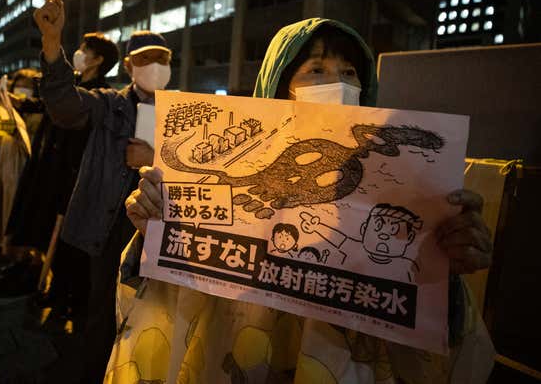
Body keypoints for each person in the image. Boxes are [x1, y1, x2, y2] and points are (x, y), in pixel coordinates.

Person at [110, 19, 495, 383]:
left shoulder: (403, 190)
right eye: (316, 71)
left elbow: (438, 340)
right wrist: (154, 231)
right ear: (279, 86)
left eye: (349, 73)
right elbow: (166, 301)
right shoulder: (225, 179)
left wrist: (446, 274)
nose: (338, 84)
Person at [33, 0, 172, 383]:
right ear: (128, 66)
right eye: (145, 59)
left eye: (163, 59)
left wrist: (155, 155)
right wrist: (51, 41)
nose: (155, 67)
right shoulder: (110, 105)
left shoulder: (182, 112)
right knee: (102, 311)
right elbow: (63, 105)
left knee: (155, 314)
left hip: (159, 229)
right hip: (111, 229)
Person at [0, 32, 119, 298]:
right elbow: (47, 103)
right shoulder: (71, 84)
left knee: (59, 233)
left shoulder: (101, 96)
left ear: (98, 60)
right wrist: (22, 102)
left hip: (68, 173)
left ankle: (57, 289)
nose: (79, 52)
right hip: (47, 165)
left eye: (85, 49)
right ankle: (33, 268)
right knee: (38, 220)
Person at [0, 68, 39, 256]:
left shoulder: (37, 112)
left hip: (22, 162)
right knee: (1, 201)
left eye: (27, 87)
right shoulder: (9, 107)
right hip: (6, 157)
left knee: (14, 204)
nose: (21, 90)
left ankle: (15, 250)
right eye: (18, 86)